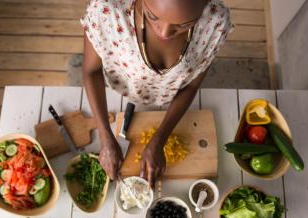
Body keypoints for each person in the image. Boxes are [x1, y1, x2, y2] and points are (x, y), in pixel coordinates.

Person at [82, 0, 231, 188]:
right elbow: (90, 72)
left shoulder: (215, 21)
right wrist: (104, 136)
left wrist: (160, 138)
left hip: (173, 99)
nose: (164, 32)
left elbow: (191, 87)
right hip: (117, 94)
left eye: (184, 25)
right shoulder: (107, 10)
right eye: (152, 16)